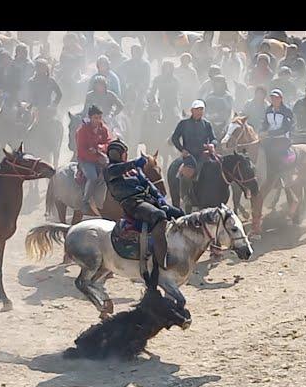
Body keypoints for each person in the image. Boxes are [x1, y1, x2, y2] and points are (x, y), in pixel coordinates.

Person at [104, 139, 184, 269]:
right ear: (118, 154)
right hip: (133, 204)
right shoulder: (110, 170)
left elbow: (147, 183)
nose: (126, 155)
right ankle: (161, 260)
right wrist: (134, 162)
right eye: (124, 152)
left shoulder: (134, 170)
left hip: (147, 200)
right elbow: (119, 169)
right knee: (159, 216)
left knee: (179, 214)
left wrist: (159, 198)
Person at [171, 100, 217, 210]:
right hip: (189, 156)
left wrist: (212, 145)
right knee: (188, 171)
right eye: (197, 109)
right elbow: (175, 138)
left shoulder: (207, 124)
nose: (199, 111)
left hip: (203, 155)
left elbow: (214, 139)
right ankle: (186, 196)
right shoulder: (184, 124)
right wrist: (182, 149)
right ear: (192, 110)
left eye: (201, 109)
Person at [259, 88, 298, 215]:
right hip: (270, 139)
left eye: (276, 98)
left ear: (281, 99)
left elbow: (285, 128)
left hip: (282, 139)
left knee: (280, 155)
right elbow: (265, 123)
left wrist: (269, 133)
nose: (274, 100)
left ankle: (284, 175)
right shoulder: (268, 109)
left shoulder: (286, 111)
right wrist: (262, 131)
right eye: (272, 98)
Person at [76, 105, 113, 214]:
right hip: (85, 160)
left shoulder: (104, 128)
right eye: (95, 118)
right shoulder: (82, 130)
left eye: (99, 118)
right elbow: (81, 150)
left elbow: (109, 142)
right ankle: (85, 202)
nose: (98, 120)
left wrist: (101, 148)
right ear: (90, 117)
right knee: (92, 177)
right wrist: (95, 156)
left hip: (101, 158)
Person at [27, 59, 62, 125]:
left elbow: (59, 94)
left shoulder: (51, 81)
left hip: (48, 108)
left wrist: (54, 104)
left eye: (43, 67)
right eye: (39, 67)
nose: (41, 69)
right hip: (35, 109)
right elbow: (28, 96)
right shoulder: (31, 81)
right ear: (36, 68)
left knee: (55, 125)